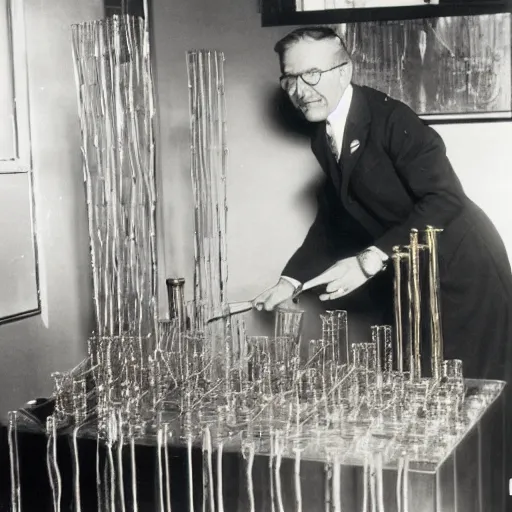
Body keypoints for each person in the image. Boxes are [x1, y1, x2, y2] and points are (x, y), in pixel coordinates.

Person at [253, 26, 512, 385]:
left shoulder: (392, 118)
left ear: (344, 71)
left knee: (470, 397)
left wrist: (370, 258)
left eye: (311, 74)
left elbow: (445, 197)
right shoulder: (322, 134)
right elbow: (332, 221)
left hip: (462, 270)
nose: (300, 91)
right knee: (422, 392)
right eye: (289, 78)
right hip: (413, 271)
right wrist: (290, 281)